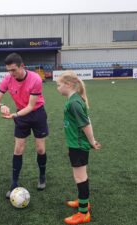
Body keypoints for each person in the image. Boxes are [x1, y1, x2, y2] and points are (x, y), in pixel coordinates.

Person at [0, 53, 49, 198]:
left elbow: (30, 106)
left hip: (36, 113)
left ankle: (42, 176)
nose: (11, 73)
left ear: (22, 66)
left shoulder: (35, 79)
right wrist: (2, 106)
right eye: (8, 70)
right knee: (18, 148)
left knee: (41, 149)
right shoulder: (8, 78)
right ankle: (14, 183)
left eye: (13, 70)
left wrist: (14, 115)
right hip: (20, 115)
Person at [56, 71, 101, 225]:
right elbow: (85, 120)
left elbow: (85, 124)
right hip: (75, 144)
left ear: (68, 85)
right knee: (81, 176)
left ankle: (83, 213)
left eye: (59, 85)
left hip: (79, 145)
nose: (57, 88)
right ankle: (84, 201)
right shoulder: (74, 99)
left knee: (80, 177)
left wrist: (92, 142)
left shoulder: (74, 102)